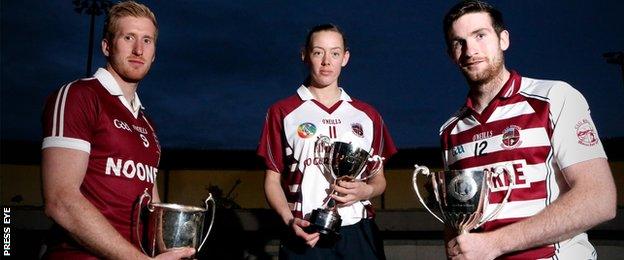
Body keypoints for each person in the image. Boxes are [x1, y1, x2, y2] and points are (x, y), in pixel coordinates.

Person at [438, 1, 616, 259]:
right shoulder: (451, 130)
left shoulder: (555, 98)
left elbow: (599, 199)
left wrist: (495, 243)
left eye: (480, 35)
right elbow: (456, 219)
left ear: (503, 39)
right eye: (458, 42)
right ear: (450, 55)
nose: (470, 50)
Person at [40, 1, 195, 259]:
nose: (138, 49)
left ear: (154, 53)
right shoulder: (79, 96)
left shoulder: (147, 124)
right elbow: (61, 201)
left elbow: (152, 203)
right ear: (106, 46)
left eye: (147, 40)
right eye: (128, 37)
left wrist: (169, 252)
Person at [257, 24, 397, 259]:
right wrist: (289, 219)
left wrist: (366, 190)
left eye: (334, 53)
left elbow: (379, 179)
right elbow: (272, 180)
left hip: (358, 230)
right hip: (305, 231)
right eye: (318, 52)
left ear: (345, 57)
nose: (326, 61)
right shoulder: (282, 111)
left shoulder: (368, 115)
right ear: (305, 55)